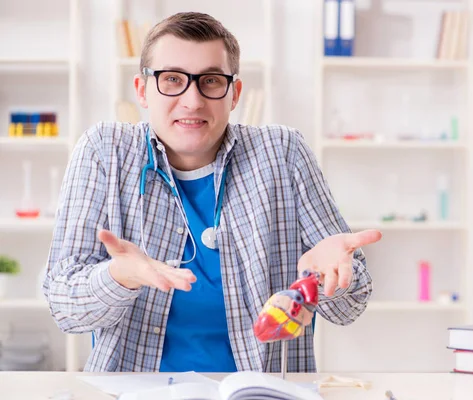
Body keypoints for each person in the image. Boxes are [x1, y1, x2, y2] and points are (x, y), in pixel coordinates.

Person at [43, 11, 381, 373]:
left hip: (260, 393)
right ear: (142, 90)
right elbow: (66, 308)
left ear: (234, 93)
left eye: (211, 80)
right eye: (172, 79)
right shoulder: (104, 151)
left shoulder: (283, 152)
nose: (192, 100)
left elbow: (347, 309)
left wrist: (329, 277)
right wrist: (118, 276)